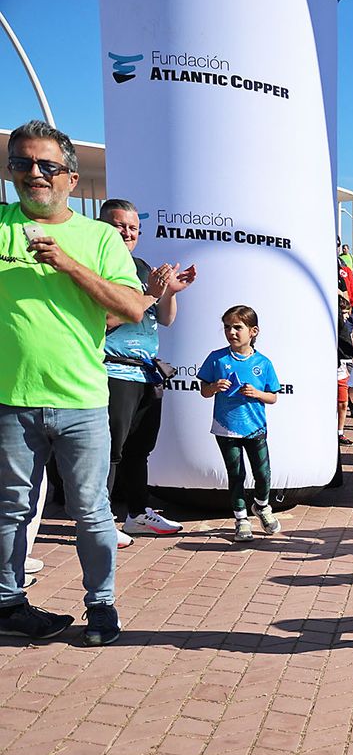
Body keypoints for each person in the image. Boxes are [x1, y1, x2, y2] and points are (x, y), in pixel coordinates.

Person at [1, 120, 151, 645]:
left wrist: (67, 264)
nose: (33, 174)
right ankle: (8, 603)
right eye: (21, 163)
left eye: (46, 165)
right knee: (12, 509)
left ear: (70, 175)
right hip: (9, 399)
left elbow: (133, 307)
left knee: (92, 513)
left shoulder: (99, 236)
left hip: (82, 399)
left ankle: (101, 605)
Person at [98, 200, 195, 542]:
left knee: (140, 450)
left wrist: (169, 292)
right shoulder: (95, 266)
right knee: (110, 450)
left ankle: (137, 514)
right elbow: (104, 322)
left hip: (147, 374)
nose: (127, 233)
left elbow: (165, 319)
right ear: (101, 225)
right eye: (119, 225)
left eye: (133, 228)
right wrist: (150, 295)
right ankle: (102, 519)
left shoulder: (141, 266)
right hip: (114, 371)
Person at [197, 306, 283, 544]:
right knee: (236, 474)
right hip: (225, 429)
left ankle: (262, 507)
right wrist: (214, 387)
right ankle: (241, 519)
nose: (231, 332)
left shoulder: (263, 363)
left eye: (237, 327)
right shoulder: (217, 358)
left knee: (263, 474)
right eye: (227, 327)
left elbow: (273, 396)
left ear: (253, 331)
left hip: (256, 428)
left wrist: (256, 393)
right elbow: (204, 391)